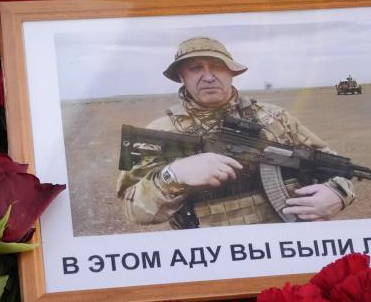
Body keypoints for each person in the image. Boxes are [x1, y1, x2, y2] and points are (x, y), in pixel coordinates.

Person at [116, 37, 354, 229]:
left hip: (288, 242)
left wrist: (338, 193)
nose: (208, 77)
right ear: (181, 76)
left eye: (217, 67)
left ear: (231, 72)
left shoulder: (275, 117)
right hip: (213, 256)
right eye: (195, 68)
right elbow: (134, 211)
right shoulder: (160, 132)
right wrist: (173, 174)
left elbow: (332, 164)